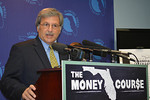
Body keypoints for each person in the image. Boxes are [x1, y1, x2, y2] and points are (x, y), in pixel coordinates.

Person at [0, 8, 68, 100]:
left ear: (60, 30)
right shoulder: (22, 49)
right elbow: (6, 81)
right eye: (46, 24)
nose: (50, 29)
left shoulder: (66, 51)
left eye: (55, 25)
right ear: (38, 27)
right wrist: (22, 91)